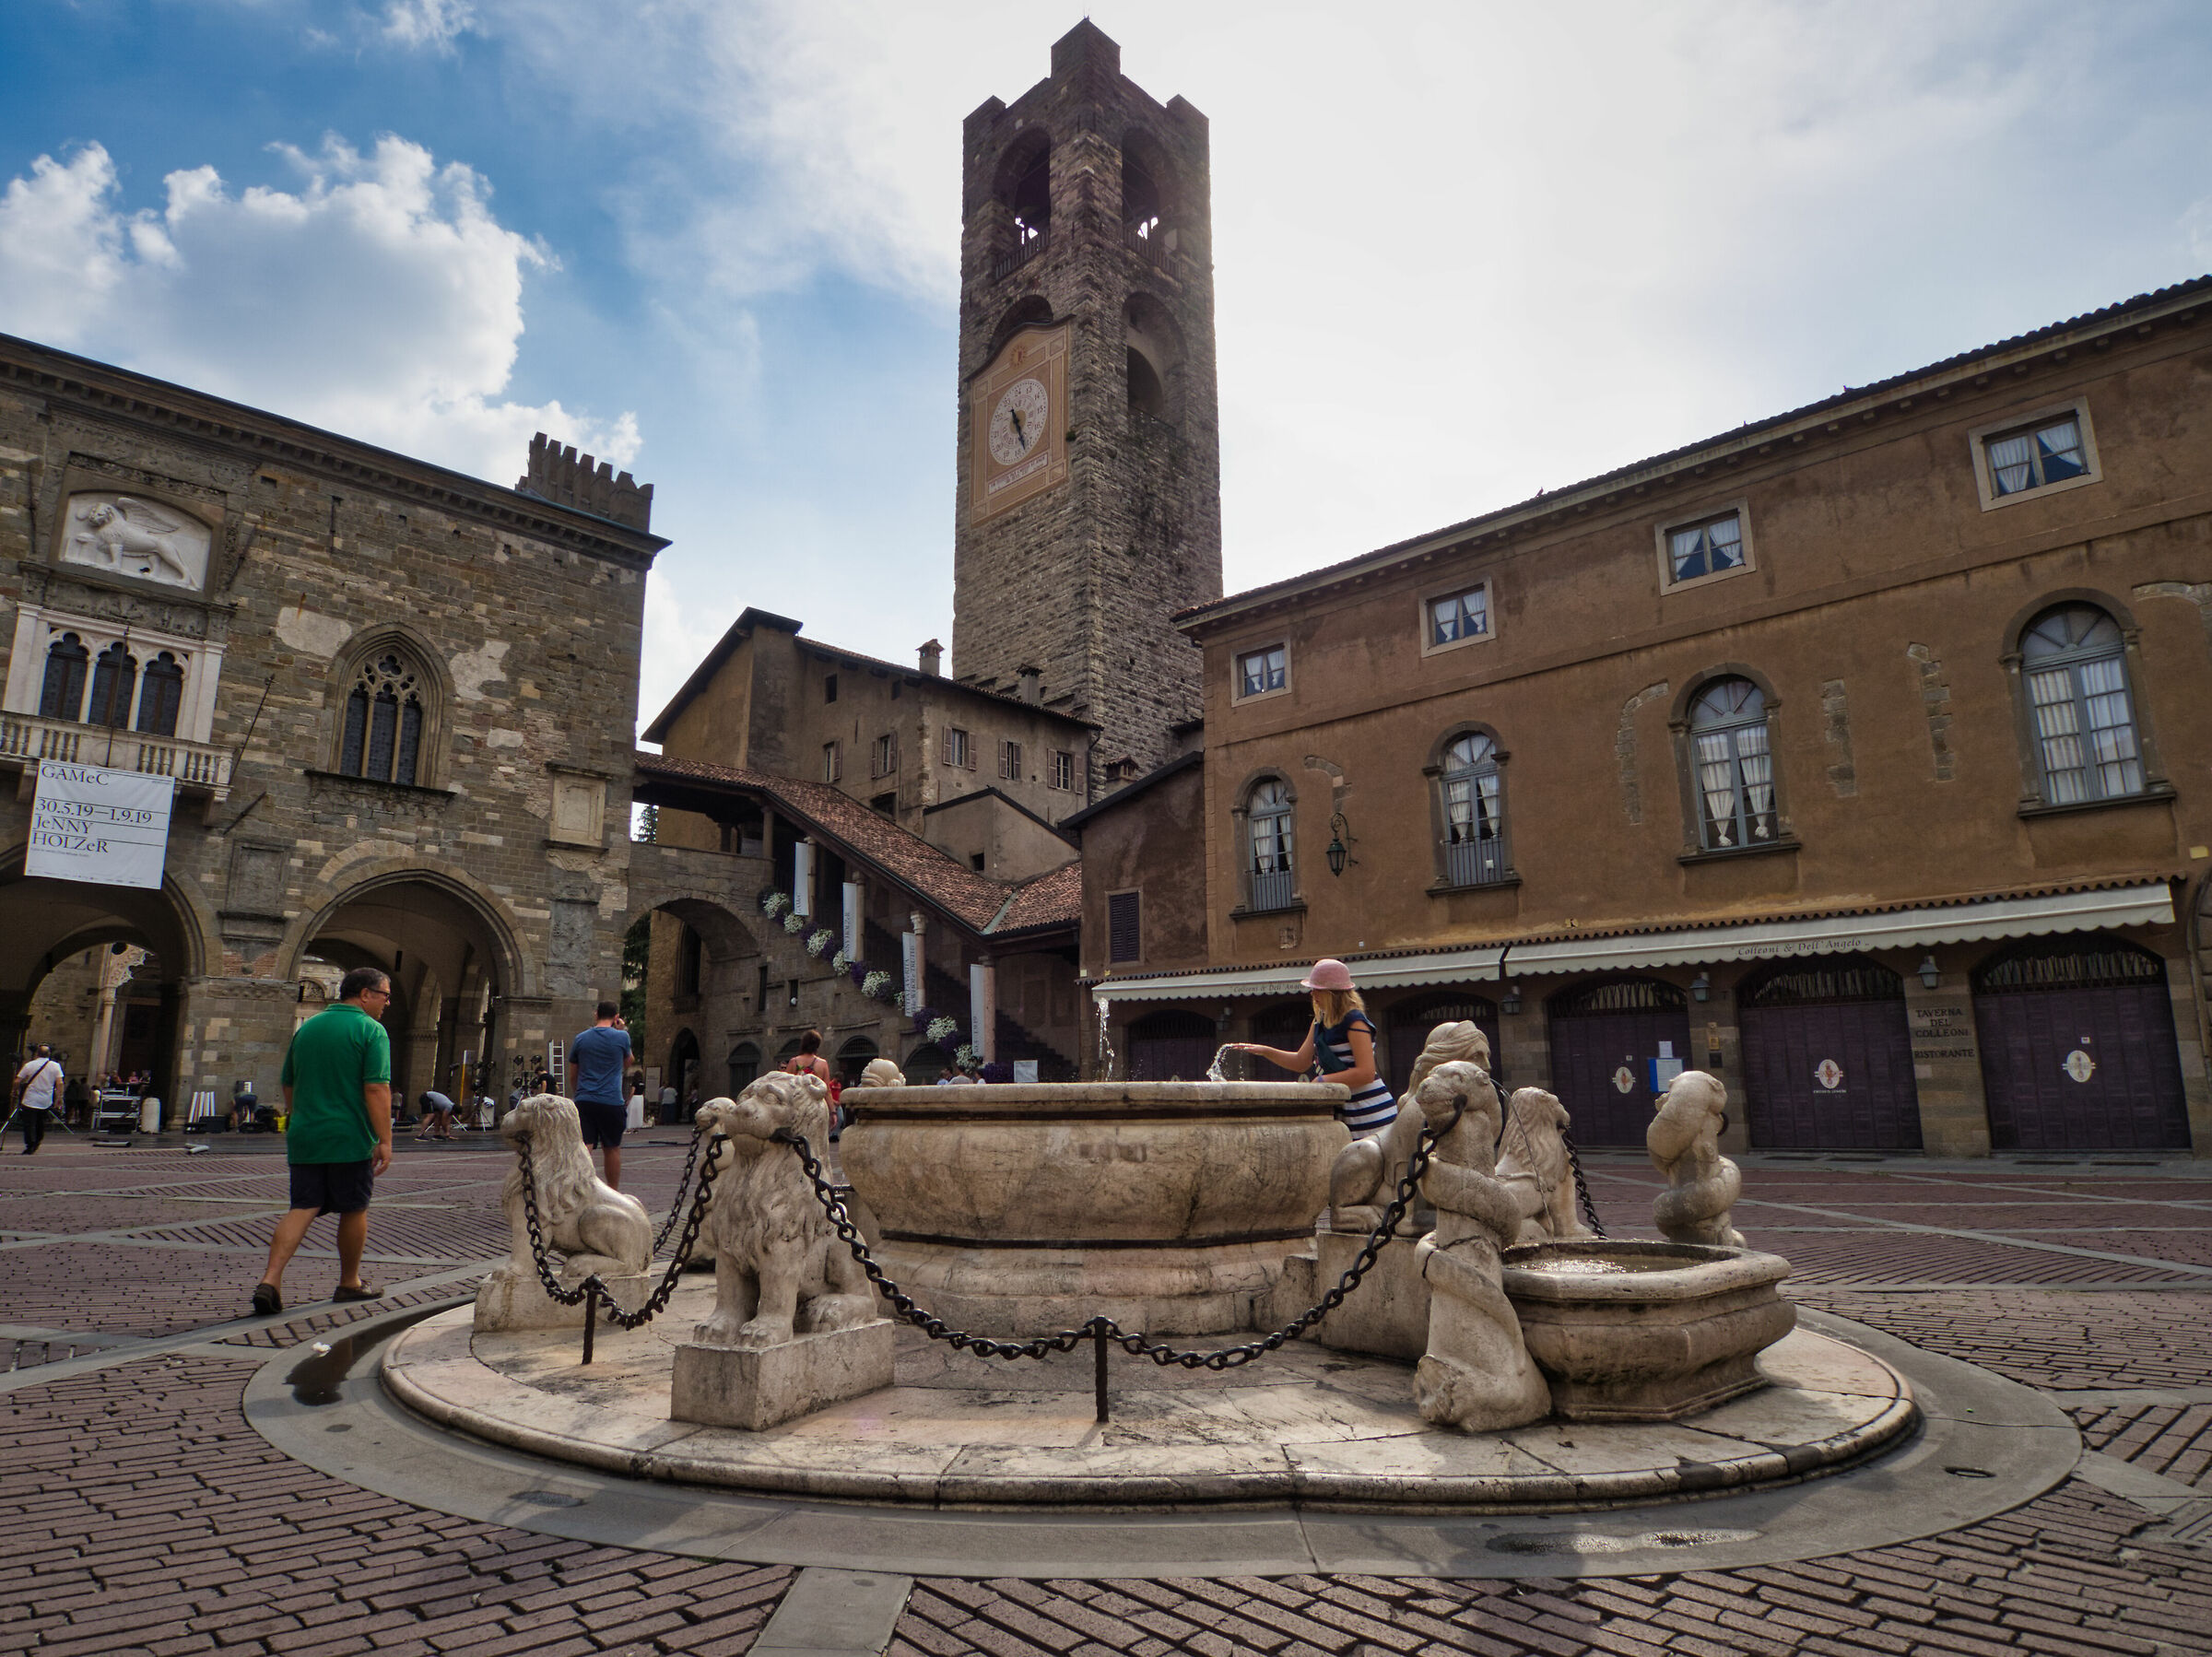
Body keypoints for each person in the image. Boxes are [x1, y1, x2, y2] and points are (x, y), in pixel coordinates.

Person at [253, 966, 394, 1314]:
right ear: (364, 994)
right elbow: (376, 1087)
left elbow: (289, 1081)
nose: (387, 1003)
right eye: (384, 995)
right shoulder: (370, 1030)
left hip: (306, 1134)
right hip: (348, 1136)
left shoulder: (308, 1029)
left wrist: (301, 1115)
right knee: (354, 1207)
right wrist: (385, 1139)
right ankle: (349, 1283)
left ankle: (270, 1279)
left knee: (302, 1207)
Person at [1226, 958, 1398, 1136]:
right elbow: (1301, 1062)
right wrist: (1264, 1051)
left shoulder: (1354, 1020)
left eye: (1317, 989)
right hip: (1346, 1114)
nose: (1312, 994)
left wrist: (1322, 1081)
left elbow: (1366, 1073)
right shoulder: (1319, 1022)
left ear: (1332, 993)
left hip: (1372, 1114)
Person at [569, 1001, 633, 1191]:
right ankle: (613, 1191)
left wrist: (577, 1092)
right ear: (616, 1017)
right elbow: (628, 1062)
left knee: (585, 1146)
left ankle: (582, 1187)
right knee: (612, 1147)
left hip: (585, 1098)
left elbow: (574, 1072)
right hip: (611, 1100)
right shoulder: (622, 1037)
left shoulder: (581, 1038)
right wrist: (623, 1029)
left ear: (596, 1015)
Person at [10, 1045, 63, 1155]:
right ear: (49, 1054)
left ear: (36, 1054)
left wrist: (14, 1091)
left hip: (30, 1099)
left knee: (29, 1123)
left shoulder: (29, 1065)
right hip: (46, 1100)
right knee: (40, 1122)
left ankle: (30, 1144)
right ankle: (38, 1141)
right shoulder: (55, 1066)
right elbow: (60, 1083)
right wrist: (59, 1098)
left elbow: (17, 1081)